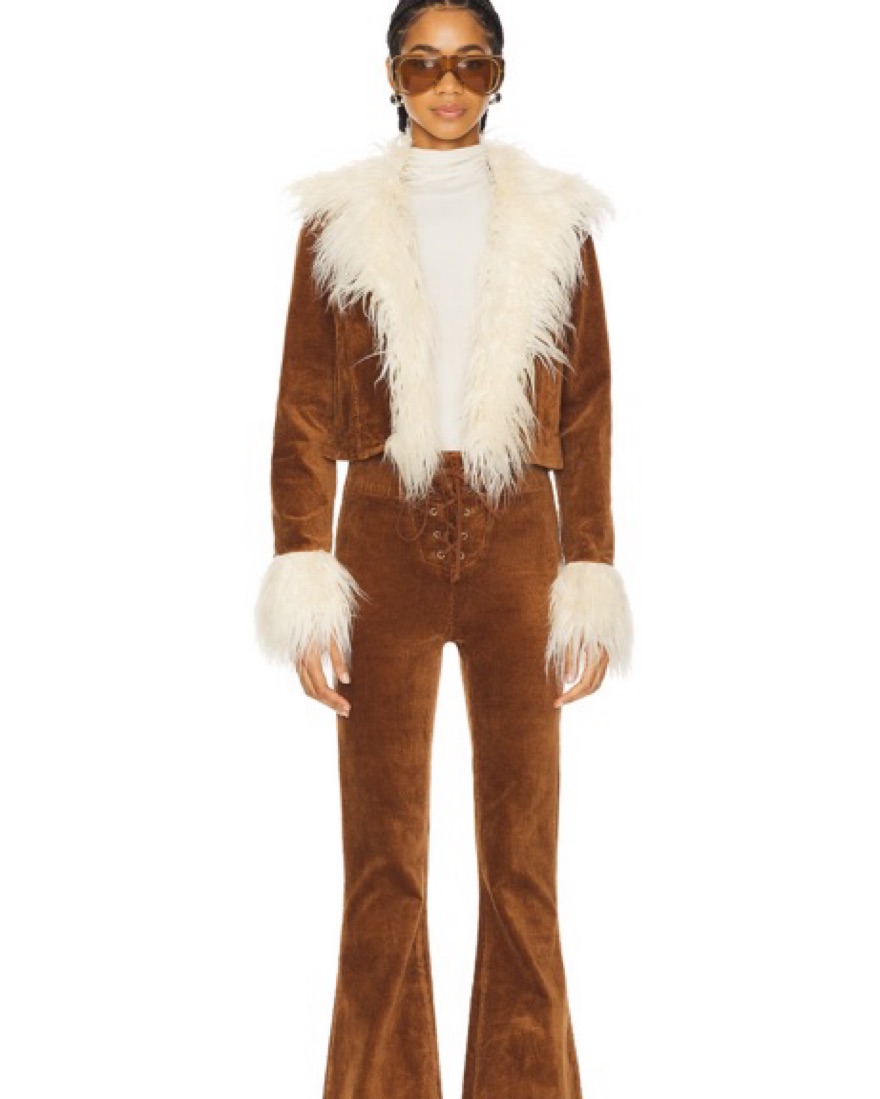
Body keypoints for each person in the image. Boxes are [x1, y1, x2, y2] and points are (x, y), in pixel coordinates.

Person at [253, 1, 634, 1096]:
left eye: (470, 64)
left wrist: (588, 567)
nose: (447, 85)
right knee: (383, 864)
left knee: (522, 863)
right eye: (423, 64)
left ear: (499, 74)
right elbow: (302, 407)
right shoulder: (337, 225)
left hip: (520, 540)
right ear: (391, 75)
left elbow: (589, 405)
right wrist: (304, 571)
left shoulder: (557, 223)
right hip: (379, 534)